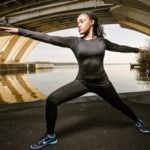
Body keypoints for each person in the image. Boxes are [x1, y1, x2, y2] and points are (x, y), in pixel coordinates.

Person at [0, 11, 150, 150]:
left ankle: (137, 121)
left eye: (81, 21)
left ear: (92, 22)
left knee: (120, 105)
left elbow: (120, 47)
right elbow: (47, 37)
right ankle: (50, 136)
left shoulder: (102, 42)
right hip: (82, 82)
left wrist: (138, 50)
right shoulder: (74, 42)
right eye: (77, 22)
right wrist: (21, 31)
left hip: (102, 83)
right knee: (52, 100)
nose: (78, 24)